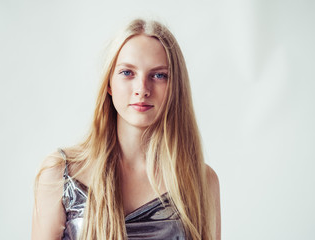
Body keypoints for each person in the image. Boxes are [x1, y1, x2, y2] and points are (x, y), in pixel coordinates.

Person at [31, 18, 221, 240]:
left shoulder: (201, 181)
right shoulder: (59, 174)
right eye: (127, 73)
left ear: (175, 87)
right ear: (109, 83)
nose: (142, 89)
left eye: (159, 75)